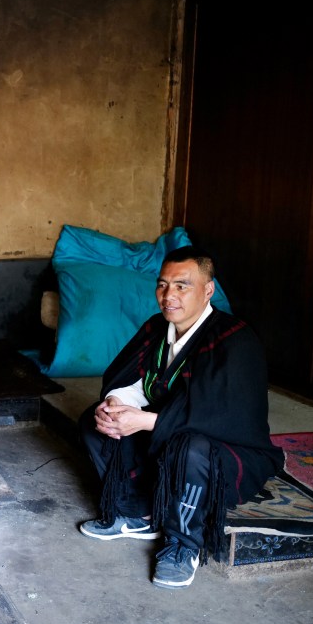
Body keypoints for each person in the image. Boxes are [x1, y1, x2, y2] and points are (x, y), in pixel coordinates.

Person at [77, 245, 283, 589]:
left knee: (190, 448)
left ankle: (183, 544)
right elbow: (133, 380)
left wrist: (145, 422)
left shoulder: (235, 340)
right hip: (166, 434)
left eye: (182, 286)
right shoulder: (157, 328)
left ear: (208, 290)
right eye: (162, 285)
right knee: (94, 421)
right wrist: (114, 404)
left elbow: (221, 415)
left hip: (224, 451)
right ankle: (137, 513)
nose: (168, 296)